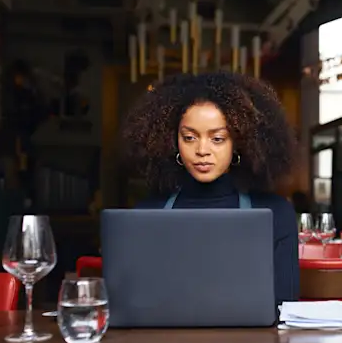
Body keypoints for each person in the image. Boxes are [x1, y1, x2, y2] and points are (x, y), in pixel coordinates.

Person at [122, 72, 300, 305]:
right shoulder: (145, 214)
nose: (202, 150)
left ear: (238, 142)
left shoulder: (277, 214)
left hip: (252, 342)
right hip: (165, 341)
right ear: (172, 140)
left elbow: (284, 306)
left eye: (217, 138)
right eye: (189, 137)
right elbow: (133, 302)